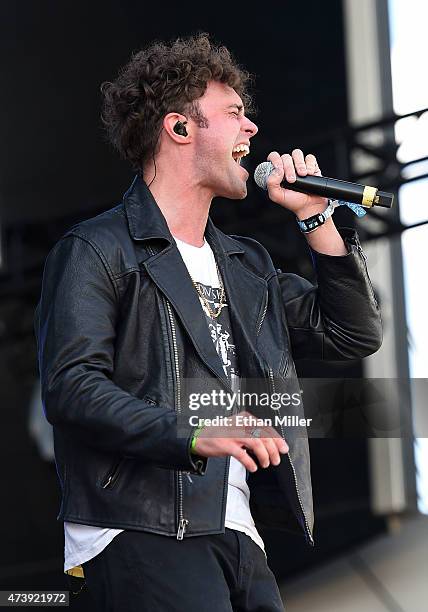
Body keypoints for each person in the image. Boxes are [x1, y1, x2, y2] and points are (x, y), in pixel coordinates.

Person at [34, 33, 382, 611]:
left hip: (239, 532)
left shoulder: (246, 266)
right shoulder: (97, 249)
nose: (251, 130)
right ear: (179, 128)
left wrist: (317, 216)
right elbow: (72, 387)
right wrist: (191, 433)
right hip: (139, 527)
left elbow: (352, 334)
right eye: (235, 113)